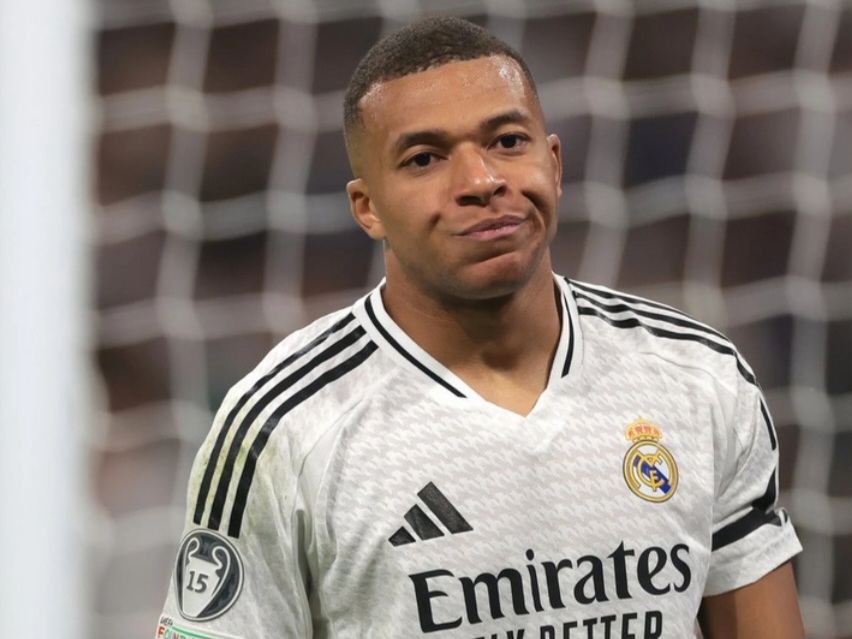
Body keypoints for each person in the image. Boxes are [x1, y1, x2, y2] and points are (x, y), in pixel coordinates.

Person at [155, 15, 804, 639]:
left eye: (507, 142)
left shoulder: (696, 377)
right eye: (424, 158)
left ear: (554, 162)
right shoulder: (283, 426)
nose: (481, 180)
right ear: (367, 207)